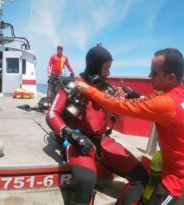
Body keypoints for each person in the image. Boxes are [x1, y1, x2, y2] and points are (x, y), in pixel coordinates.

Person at [76, 48, 184, 204]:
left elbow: (120, 108)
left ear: (171, 77)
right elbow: (154, 101)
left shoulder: (166, 104)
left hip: (178, 182)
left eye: (154, 72)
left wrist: (89, 90)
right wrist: (136, 96)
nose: (149, 75)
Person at [47, 45, 148, 205]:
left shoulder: (108, 89)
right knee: (86, 181)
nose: (109, 73)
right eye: (107, 68)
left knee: (142, 176)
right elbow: (52, 114)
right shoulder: (72, 85)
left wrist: (129, 99)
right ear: (95, 66)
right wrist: (71, 135)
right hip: (79, 141)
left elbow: (122, 117)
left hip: (104, 141)